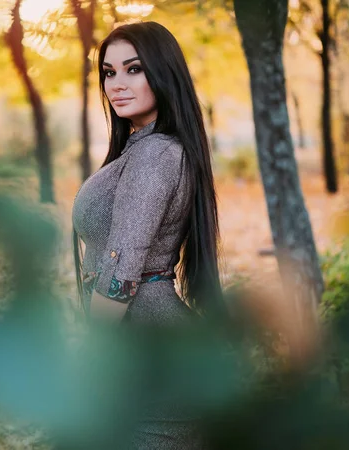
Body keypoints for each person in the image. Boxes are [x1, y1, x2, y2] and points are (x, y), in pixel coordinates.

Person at [71, 21, 221, 448]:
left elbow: (123, 262)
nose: (116, 83)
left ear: (163, 73)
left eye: (133, 69)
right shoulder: (142, 147)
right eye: (109, 71)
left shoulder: (156, 153)